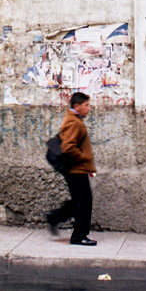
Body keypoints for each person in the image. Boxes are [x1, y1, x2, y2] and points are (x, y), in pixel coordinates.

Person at [45, 91, 97, 245]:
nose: (88, 108)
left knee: (78, 201)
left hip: (77, 169)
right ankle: (79, 236)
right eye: (86, 105)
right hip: (76, 169)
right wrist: (84, 157)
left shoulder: (74, 119)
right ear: (77, 106)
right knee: (84, 202)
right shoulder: (73, 122)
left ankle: (54, 217)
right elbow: (68, 147)